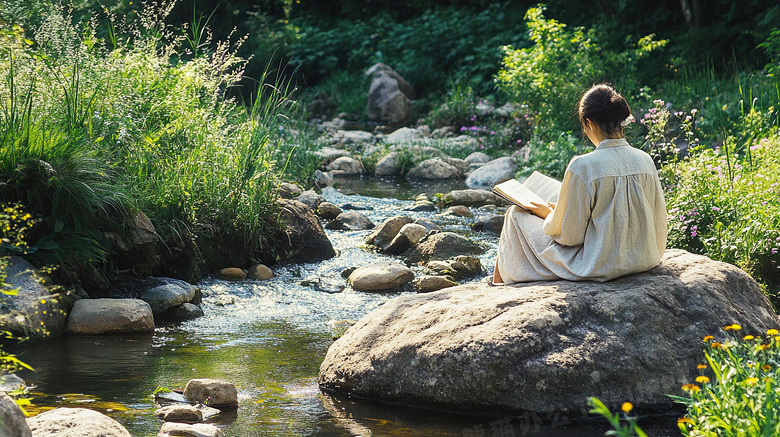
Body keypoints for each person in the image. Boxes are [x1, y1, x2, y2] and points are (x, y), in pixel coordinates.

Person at [492, 84, 667, 284]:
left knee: (515, 215)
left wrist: (548, 214)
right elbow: (658, 221)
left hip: (599, 264)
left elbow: (569, 237)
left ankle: (496, 287)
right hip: (644, 258)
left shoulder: (583, 165)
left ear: (589, 122)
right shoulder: (645, 160)